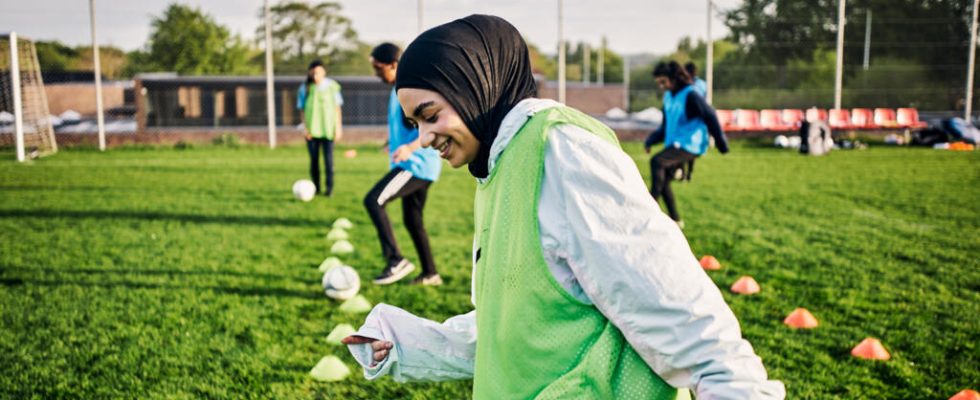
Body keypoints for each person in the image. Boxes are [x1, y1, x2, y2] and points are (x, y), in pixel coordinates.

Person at [343, 15, 784, 399]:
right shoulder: (497, 167)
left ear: (474, 86)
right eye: (415, 123)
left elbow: (677, 309)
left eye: (430, 114)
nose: (422, 137)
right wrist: (406, 344)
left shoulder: (562, 151)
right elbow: (519, 332)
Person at [364, 43, 444, 286]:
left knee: (374, 200)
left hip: (416, 165)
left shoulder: (410, 88)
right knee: (413, 221)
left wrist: (409, 148)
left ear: (394, 65)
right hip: (417, 164)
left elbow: (431, 125)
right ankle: (431, 273)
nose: (376, 73)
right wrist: (394, 142)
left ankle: (395, 260)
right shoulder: (397, 90)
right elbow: (408, 126)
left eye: (379, 68)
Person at [645, 61, 728, 228]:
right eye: (658, 83)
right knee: (664, 180)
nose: (661, 86)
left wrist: (721, 142)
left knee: (657, 162)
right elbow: (665, 126)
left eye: (663, 82)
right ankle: (676, 220)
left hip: (691, 144)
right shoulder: (669, 97)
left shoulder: (691, 95)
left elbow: (710, 115)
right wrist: (650, 140)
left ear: (674, 78)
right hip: (675, 144)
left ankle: (648, 209)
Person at [297, 59, 343, 196]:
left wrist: (338, 127)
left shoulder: (332, 87)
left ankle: (329, 189)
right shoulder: (305, 88)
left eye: (318, 73)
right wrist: (304, 128)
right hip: (311, 131)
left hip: (328, 130)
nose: (315, 76)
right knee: (314, 161)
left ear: (323, 72)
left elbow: (337, 108)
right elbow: (302, 109)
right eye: (313, 73)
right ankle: (315, 188)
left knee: (329, 161)